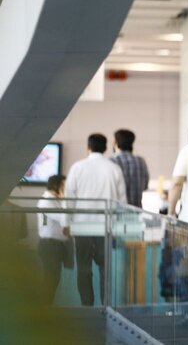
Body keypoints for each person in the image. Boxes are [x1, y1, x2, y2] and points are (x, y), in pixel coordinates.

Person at [66, 133, 127, 306]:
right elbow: (122, 201)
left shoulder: (77, 167)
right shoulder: (114, 168)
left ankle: (87, 304)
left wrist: (66, 222)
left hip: (82, 225)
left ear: (88, 147)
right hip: (106, 226)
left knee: (83, 267)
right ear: (106, 148)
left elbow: (69, 197)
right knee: (105, 267)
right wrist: (121, 224)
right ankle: (106, 304)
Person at [37, 174, 69, 304]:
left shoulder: (54, 200)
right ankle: (43, 308)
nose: (66, 188)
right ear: (57, 186)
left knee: (53, 278)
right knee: (50, 279)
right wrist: (65, 199)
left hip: (55, 245)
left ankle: (45, 306)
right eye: (64, 185)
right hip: (50, 245)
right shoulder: (47, 201)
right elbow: (63, 218)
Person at [111, 129, 150, 208]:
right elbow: (145, 186)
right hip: (137, 210)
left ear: (115, 142)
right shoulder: (141, 161)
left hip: (118, 211)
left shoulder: (112, 161)